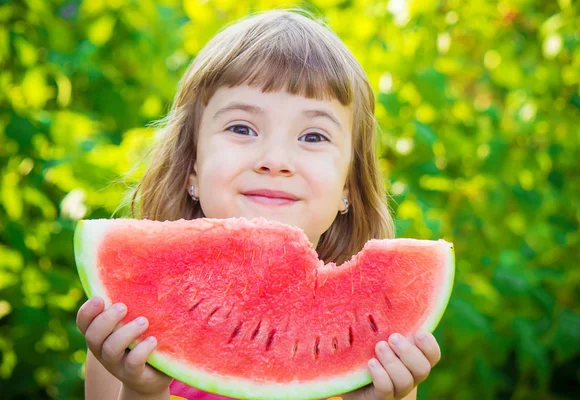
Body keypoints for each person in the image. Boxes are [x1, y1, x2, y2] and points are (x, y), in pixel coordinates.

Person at [75, 8, 441, 400]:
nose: (275, 160)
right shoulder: (128, 323)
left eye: (314, 136)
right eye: (241, 128)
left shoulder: (376, 349)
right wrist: (142, 391)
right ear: (191, 170)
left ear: (348, 187)